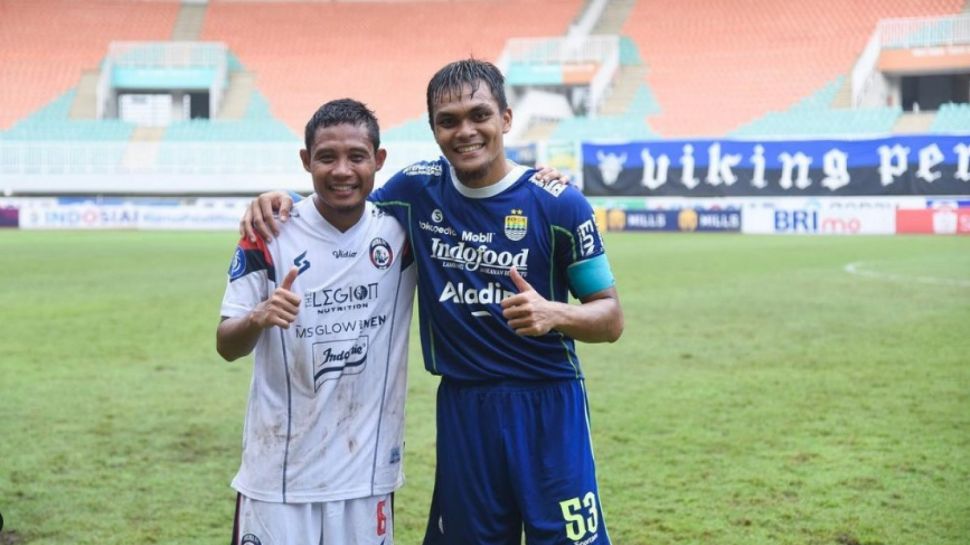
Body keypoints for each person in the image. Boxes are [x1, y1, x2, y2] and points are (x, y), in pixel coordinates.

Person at [242, 59, 624, 545]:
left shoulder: (560, 204)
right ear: (434, 130)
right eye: (448, 121)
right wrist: (281, 199)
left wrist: (556, 313)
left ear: (506, 118)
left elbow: (611, 317)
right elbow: (344, 198)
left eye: (479, 115)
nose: (465, 131)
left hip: (547, 402)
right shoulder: (417, 190)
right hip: (464, 407)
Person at [217, 98, 416, 545]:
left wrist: (545, 180)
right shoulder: (269, 233)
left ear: (379, 160)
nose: (342, 170)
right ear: (306, 161)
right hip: (278, 476)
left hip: (367, 476)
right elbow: (226, 344)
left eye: (356, 156)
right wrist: (258, 316)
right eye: (327, 157)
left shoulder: (401, 230)